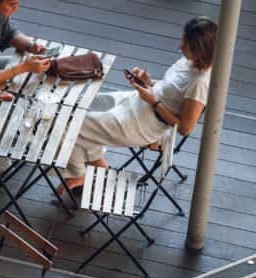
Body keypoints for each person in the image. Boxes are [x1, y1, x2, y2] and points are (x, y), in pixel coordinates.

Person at [61, 16, 217, 194]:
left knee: (69, 123)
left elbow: (185, 128)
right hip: (138, 102)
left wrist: (153, 101)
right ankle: (100, 168)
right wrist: (148, 82)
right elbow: (171, 91)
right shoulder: (188, 61)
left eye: (186, 45)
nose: (181, 47)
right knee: (76, 105)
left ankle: (79, 173)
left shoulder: (200, 82)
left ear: (200, 50)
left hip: (145, 124)